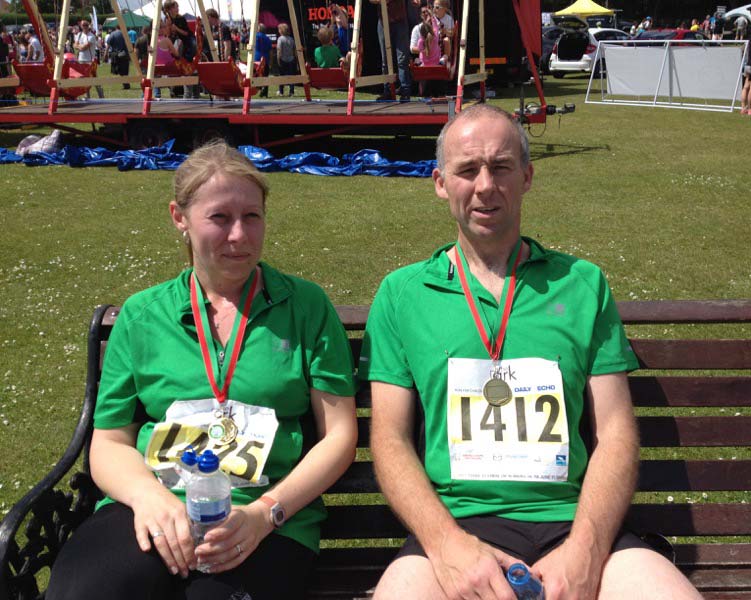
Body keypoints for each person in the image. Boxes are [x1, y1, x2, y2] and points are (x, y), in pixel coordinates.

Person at [359, 104, 704, 600]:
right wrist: (447, 545)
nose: (485, 185)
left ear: (527, 176)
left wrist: (585, 551)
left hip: (571, 524)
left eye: (501, 167)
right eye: (467, 170)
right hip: (456, 530)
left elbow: (615, 431)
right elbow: (390, 440)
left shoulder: (583, 284)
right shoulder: (402, 293)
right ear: (439, 182)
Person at [47, 140, 358, 600]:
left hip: (261, 516)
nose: (240, 236)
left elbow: (339, 435)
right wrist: (149, 499)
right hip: (150, 509)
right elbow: (109, 443)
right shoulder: (142, 316)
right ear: (180, 218)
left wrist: (265, 514)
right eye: (220, 218)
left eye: (252, 217)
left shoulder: (306, 307)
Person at [369, 0, 412, 100]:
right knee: (385, 60)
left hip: (399, 20)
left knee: (402, 58)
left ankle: (405, 91)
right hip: (383, 20)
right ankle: (388, 91)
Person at [75, 20, 104, 98]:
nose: (85, 27)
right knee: (84, 79)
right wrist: (79, 46)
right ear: (81, 26)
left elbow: (85, 47)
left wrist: (79, 46)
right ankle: (87, 96)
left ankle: (101, 96)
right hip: (81, 60)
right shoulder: (79, 34)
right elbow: (75, 45)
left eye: (86, 25)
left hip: (90, 61)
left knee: (95, 79)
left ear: (88, 26)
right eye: (83, 25)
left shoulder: (91, 36)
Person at [106, 26, 131, 90]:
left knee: (119, 70)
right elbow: (129, 44)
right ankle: (126, 84)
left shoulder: (112, 34)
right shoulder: (126, 34)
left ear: (116, 28)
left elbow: (108, 44)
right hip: (125, 55)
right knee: (125, 71)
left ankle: (126, 84)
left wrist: (105, 54)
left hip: (116, 55)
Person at [276, 22, 297, 97]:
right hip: (291, 59)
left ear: (281, 30)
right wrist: (295, 58)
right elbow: (294, 49)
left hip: (283, 59)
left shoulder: (280, 39)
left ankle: (281, 91)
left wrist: (278, 59)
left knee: (281, 75)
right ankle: (291, 91)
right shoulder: (291, 39)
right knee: (291, 76)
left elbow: (279, 50)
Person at [254, 23, 272, 98]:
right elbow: (270, 51)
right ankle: (265, 91)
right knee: (265, 75)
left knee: (257, 75)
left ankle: (259, 89)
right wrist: (271, 61)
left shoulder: (256, 36)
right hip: (266, 58)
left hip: (257, 58)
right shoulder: (268, 39)